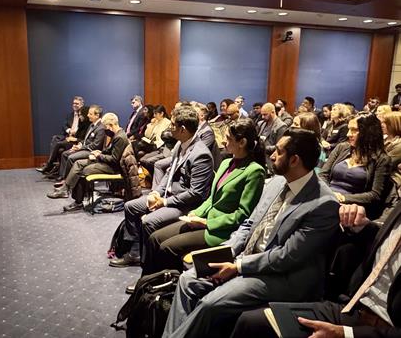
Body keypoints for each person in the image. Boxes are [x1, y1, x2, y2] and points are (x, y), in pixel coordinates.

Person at [162, 129, 340, 338]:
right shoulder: (276, 182)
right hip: (247, 256)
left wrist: (237, 266)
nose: (272, 155)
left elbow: (286, 257)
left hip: (283, 277)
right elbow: (249, 224)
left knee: (211, 303)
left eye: (279, 152)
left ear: (294, 160)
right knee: (187, 280)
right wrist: (225, 250)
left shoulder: (323, 204)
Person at [230, 202, 401, 338]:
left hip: (386, 326)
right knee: (251, 322)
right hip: (357, 307)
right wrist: (362, 226)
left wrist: (346, 333)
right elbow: (386, 246)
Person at [142, 118, 266, 277]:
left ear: (242, 142)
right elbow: (211, 199)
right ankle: (147, 283)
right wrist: (196, 214)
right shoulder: (226, 162)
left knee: (167, 247)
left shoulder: (254, 171)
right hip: (203, 220)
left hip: (219, 230)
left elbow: (243, 215)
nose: (223, 142)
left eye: (228, 138)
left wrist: (207, 223)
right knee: (155, 237)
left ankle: (162, 285)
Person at [108, 105, 214, 268]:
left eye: (172, 125)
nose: (169, 128)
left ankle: (150, 266)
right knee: (130, 207)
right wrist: (155, 193)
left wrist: (164, 203)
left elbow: (196, 194)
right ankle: (135, 253)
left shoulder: (201, 155)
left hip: (185, 205)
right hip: (168, 197)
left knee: (149, 221)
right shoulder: (180, 144)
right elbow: (169, 174)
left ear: (183, 129)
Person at [47, 113, 129, 210]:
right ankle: (66, 189)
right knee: (78, 163)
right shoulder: (117, 135)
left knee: (82, 171)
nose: (105, 129)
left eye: (106, 126)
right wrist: (100, 152)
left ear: (110, 125)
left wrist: (99, 155)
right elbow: (110, 152)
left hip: (113, 168)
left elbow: (114, 160)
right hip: (107, 163)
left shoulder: (120, 137)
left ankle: (77, 201)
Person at [319, 113, 391, 220]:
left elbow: (375, 195)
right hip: (326, 196)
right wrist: (329, 193)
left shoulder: (381, 159)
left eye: (354, 130)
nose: (348, 134)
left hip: (350, 208)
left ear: (369, 132)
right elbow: (323, 174)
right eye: (349, 129)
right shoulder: (342, 148)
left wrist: (343, 197)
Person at [52, 105, 106, 188]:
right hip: (86, 148)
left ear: (97, 115)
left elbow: (95, 145)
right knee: (65, 153)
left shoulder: (101, 128)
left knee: (71, 157)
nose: (87, 115)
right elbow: (86, 140)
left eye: (90, 114)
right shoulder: (92, 125)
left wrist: (80, 147)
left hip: (92, 152)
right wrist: (79, 145)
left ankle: (68, 183)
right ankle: (64, 178)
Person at [36, 96, 89, 175]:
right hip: (68, 135)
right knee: (55, 138)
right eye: (73, 103)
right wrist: (69, 130)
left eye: (77, 103)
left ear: (82, 104)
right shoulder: (70, 115)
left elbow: (82, 133)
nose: (74, 105)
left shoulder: (84, 118)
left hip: (76, 139)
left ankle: (50, 166)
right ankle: (53, 166)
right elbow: (64, 125)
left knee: (59, 148)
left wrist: (75, 136)